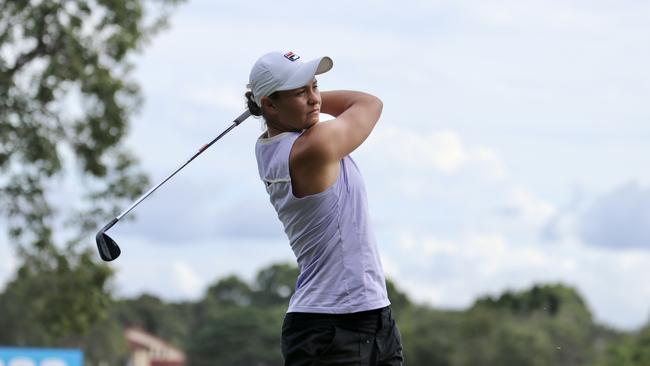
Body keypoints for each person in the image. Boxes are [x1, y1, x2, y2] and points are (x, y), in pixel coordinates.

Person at [246, 50, 403, 365]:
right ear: (270, 104)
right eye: (300, 92)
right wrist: (275, 99)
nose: (314, 99)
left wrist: (292, 95)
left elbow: (346, 105)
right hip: (330, 329)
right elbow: (369, 103)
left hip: (373, 316)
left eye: (315, 87)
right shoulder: (312, 147)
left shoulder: (274, 143)